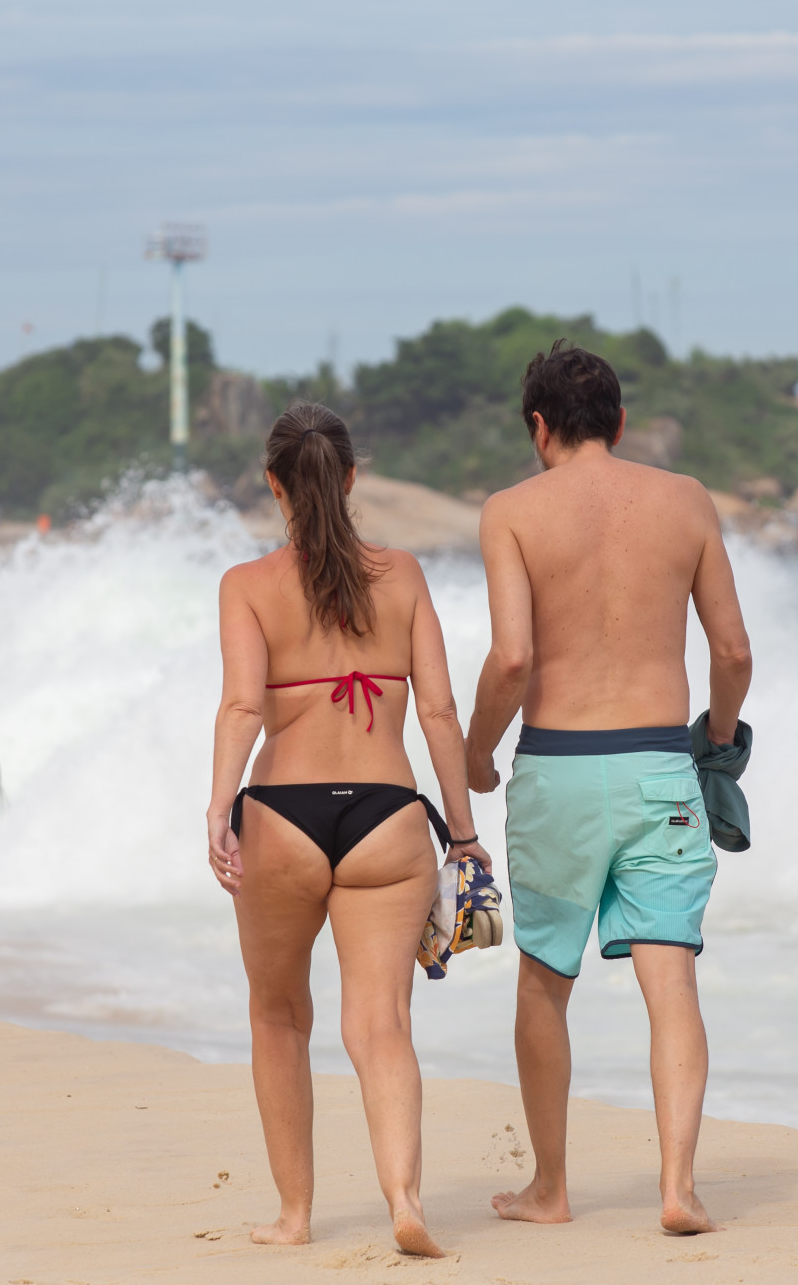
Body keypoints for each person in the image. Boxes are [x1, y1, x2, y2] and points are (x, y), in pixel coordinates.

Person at [463, 341, 752, 1236]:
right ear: (621, 424)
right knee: (672, 985)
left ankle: (550, 1189)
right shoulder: (686, 500)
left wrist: (477, 756)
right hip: (663, 771)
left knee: (546, 983)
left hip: (556, 772)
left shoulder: (510, 512)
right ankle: (678, 1187)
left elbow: (513, 657)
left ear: (537, 426)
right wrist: (716, 737)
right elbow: (734, 654)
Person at [207, 402, 485, 1258]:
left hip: (283, 817)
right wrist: (465, 836)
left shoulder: (247, 585)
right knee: (382, 1024)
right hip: (386, 815)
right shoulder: (401, 574)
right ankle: (403, 1196)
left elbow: (245, 704)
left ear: (273, 483)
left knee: (280, 1016)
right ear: (354, 476)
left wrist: (220, 808)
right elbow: (437, 709)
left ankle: (294, 1214)